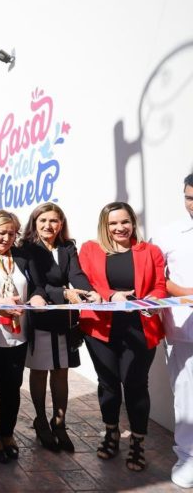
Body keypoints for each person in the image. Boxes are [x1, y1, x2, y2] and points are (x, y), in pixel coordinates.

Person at [79, 201, 166, 472]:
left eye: (124, 221)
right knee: (108, 384)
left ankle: (137, 442)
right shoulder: (90, 249)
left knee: (135, 384)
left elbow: (160, 286)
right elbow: (86, 283)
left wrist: (153, 300)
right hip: (99, 329)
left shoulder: (150, 251)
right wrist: (111, 296)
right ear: (104, 226)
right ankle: (111, 432)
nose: (120, 228)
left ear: (133, 223)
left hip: (140, 328)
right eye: (113, 223)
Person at [21, 203, 101, 453]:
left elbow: (76, 275)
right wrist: (64, 293)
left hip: (65, 320)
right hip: (41, 317)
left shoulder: (67, 248)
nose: (48, 225)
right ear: (35, 223)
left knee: (61, 372)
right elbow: (35, 283)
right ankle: (41, 421)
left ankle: (59, 422)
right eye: (43, 220)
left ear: (61, 224)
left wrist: (90, 292)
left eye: (54, 221)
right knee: (40, 371)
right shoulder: (27, 249)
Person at [0, 210, 47, 464]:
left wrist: (37, 297)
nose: (6, 238)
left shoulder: (23, 257)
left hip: (18, 334)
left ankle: (7, 432)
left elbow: (38, 286)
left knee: (12, 387)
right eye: (1, 233)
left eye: (12, 234)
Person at [155, 174, 193, 487]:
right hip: (183, 327)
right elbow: (157, 277)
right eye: (189, 197)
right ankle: (188, 456)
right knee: (186, 394)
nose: (192, 205)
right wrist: (187, 292)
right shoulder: (169, 233)